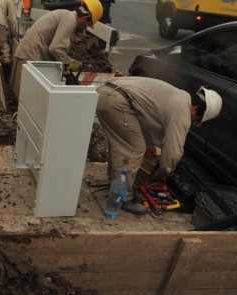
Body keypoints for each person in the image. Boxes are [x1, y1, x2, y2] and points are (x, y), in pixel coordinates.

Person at [95, 77, 222, 215]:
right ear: (195, 109)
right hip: (116, 101)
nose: (192, 121)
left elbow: (143, 115)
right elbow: (173, 152)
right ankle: (122, 198)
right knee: (133, 150)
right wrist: (162, 172)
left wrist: (149, 142)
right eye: (196, 119)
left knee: (121, 146)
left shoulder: (179, 96)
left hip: (105, 92)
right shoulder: (182, 113)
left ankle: (115, 182)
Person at [12, 0, 103, 99]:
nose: (86, 27)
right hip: (29, 56)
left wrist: (67, 74)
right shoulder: (70, 21)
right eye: (88, 24)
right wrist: (72, 63)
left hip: (30, 54)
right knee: (25, 99)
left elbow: (56, 51)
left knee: (27, 99)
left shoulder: (67, 16)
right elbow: (56, 49)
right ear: (86, 18)